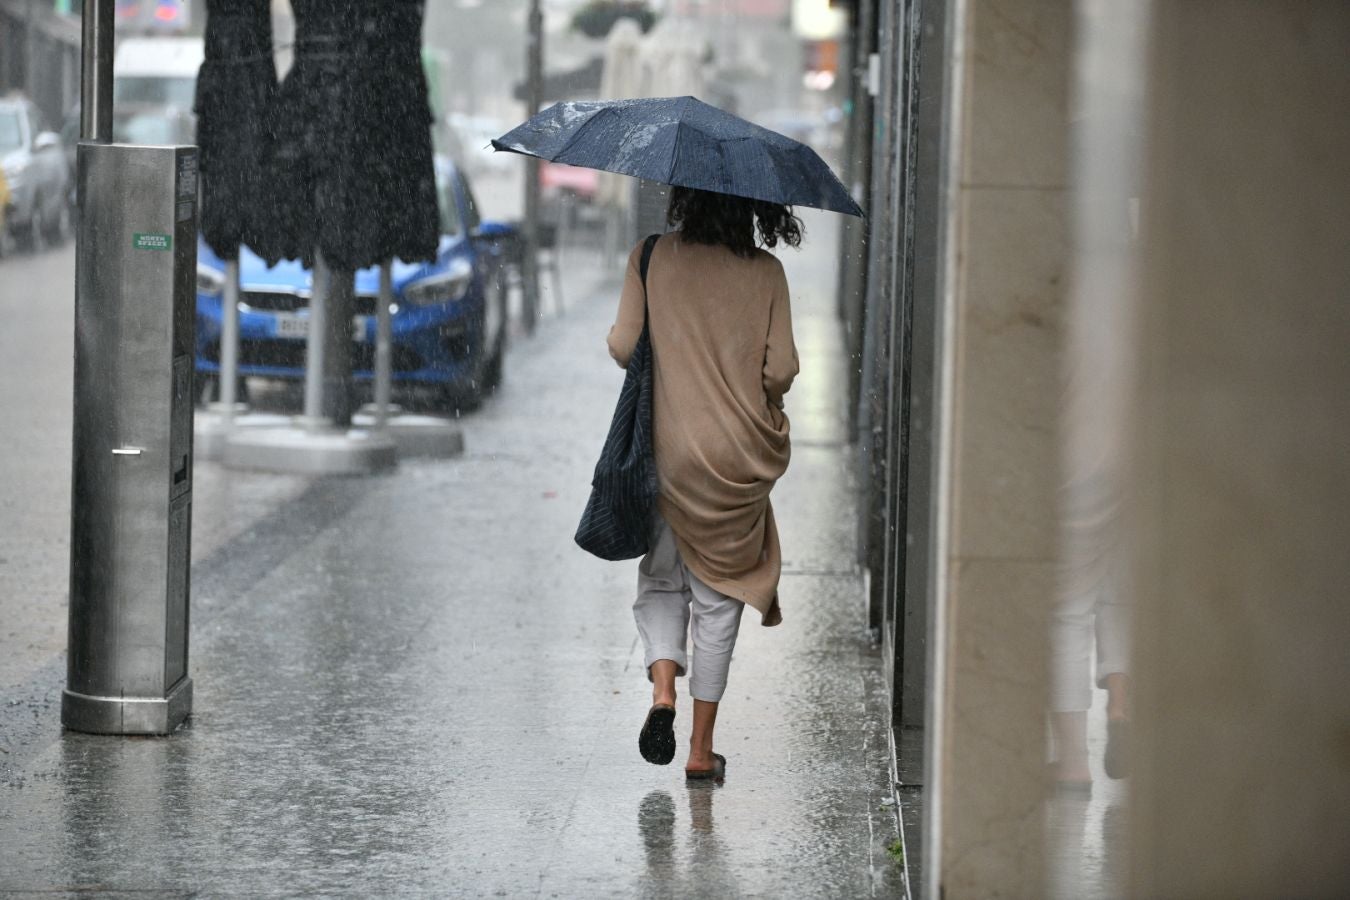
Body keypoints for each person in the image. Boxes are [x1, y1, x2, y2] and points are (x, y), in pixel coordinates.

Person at [606, 186, 802, 780]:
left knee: (663, 583)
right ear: (751, 204)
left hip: (666, 449)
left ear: (682, 197)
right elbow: (783, 368)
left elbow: (622, 346)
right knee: (719, 599)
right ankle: (698, 750)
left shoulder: (650, 255)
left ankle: (663, 693)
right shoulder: (766, 272)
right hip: (737, 455)